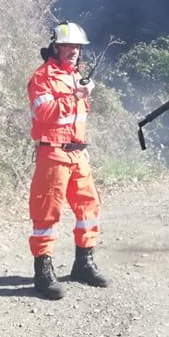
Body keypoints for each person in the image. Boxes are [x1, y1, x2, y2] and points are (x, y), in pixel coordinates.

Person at [27, 21, 109, 300]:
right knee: (47, 214)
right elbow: (45, 112)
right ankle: (43, 272)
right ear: (55, 47)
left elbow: (78, 119)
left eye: (77, 46)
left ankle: (83, 264)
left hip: (77, 153)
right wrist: (75, 96)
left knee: (89, 206)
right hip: (53, 153)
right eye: (68, 46)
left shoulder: (76, 76)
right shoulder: (42, 77)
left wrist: (82, 146)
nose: (74, 51)